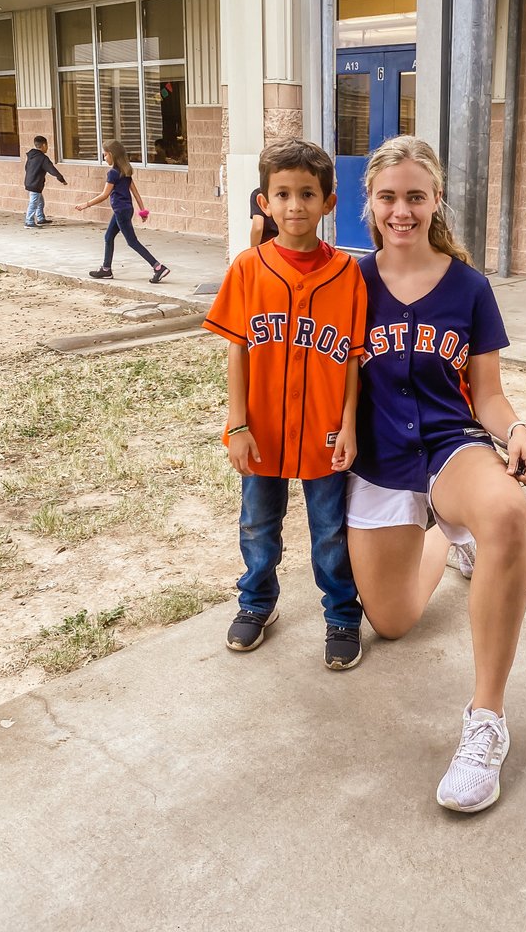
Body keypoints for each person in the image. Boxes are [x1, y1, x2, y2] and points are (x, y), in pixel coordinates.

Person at [346, 135, 526, 813]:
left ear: (435, 203)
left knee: (508, 515)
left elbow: (486, 393)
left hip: (449, 444)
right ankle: (447, 538)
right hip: (377, 459)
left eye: (415, 197)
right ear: (369, 203)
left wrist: (515, 428)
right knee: (394, 621)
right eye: (388, 197)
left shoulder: (469, 287)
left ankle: (486, 720)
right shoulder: (346, 282)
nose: (401, 210)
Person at [203, 138, 367, 669]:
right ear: (263, 201)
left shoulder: (349, 275)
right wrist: (237, 424)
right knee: (257, 523)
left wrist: (348, 427)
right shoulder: (248, 268)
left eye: (307, 193)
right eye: (283, 194)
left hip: (322, 428)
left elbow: (350, 361)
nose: (295, 205)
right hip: (264, 429)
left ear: (329, 202)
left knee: (330, 531)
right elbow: (239, 351)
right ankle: (256, 603)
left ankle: (342, 613)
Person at [74, 139, 170, 283]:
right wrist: (142, 210)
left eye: (105, 155)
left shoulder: (113, 173)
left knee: (132, 242)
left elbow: (104, 195)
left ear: (112, 155)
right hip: (125, 210)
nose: (104, 157)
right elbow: (136, 193)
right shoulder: (125, 171)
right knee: (108, 237)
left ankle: (158, 267)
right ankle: (106, 269)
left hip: (120, 211)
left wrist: (86, 204)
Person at [23, 135, 67, 227]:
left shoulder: (31, 156)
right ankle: (29, 221)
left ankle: (40, 218)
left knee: (40, 202)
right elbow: (52, 170)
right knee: (34, 203)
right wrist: (61, 179)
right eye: (47, 145)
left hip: (30, 182)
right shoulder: (43, 158)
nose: (47, 147)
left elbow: (26, 168)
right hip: (35, 184)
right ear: (43, 145)